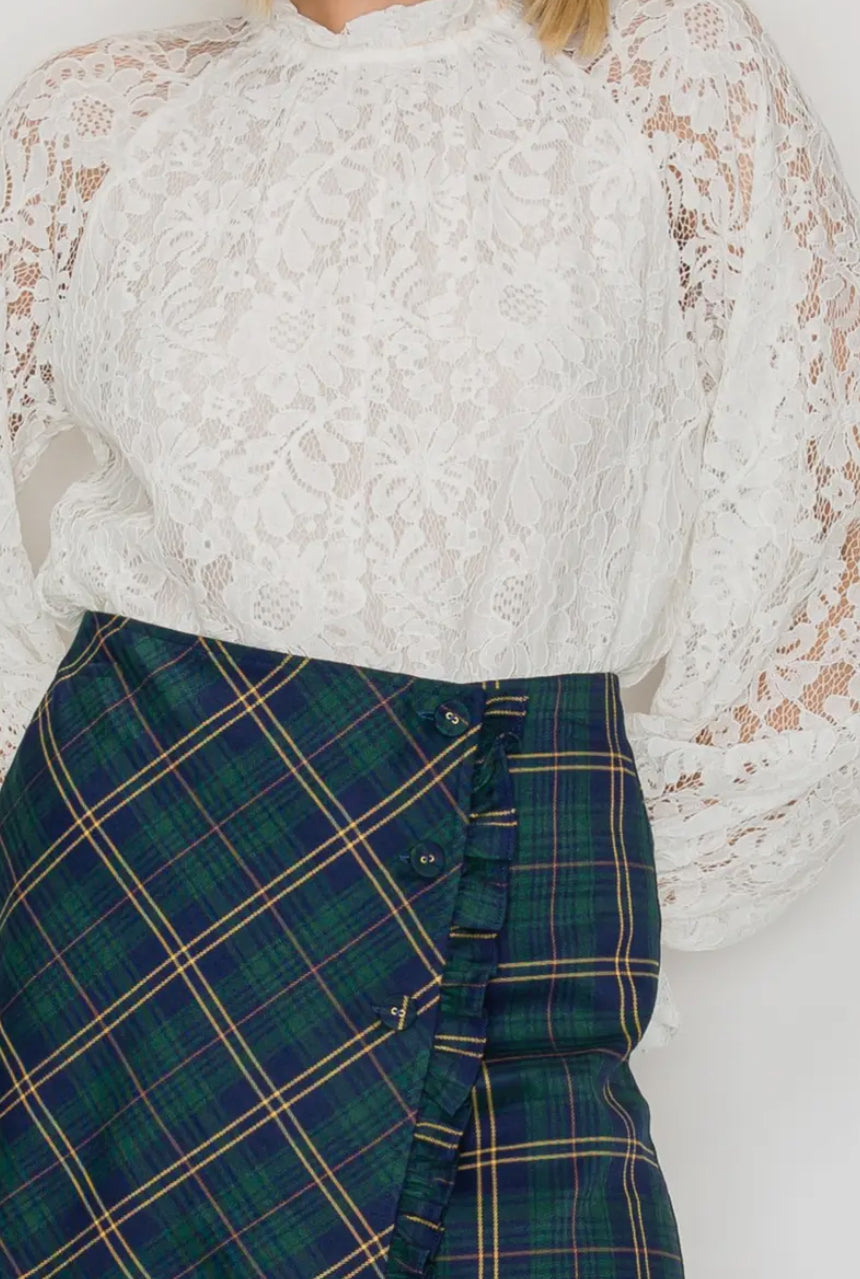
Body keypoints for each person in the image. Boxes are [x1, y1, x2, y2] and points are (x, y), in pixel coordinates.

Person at [0, 0, 857, 1273]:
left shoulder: (675, 78)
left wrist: (551, 867)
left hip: (509, 940)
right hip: (113, 957)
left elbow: (818, 581)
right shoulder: (97, 116)